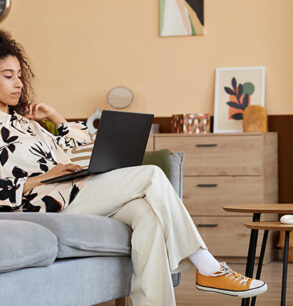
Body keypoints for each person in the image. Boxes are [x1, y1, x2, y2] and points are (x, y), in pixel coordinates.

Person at [0, 30, 267, 305]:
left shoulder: (26, 122)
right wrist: (43, 178)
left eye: (20, 75)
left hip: (73, 189)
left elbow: (84, 145)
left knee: (147, 214)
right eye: (8, 76)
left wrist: (54, 117)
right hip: (45, 202)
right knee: (151, 175)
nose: (18, 83)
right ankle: (207, 267)